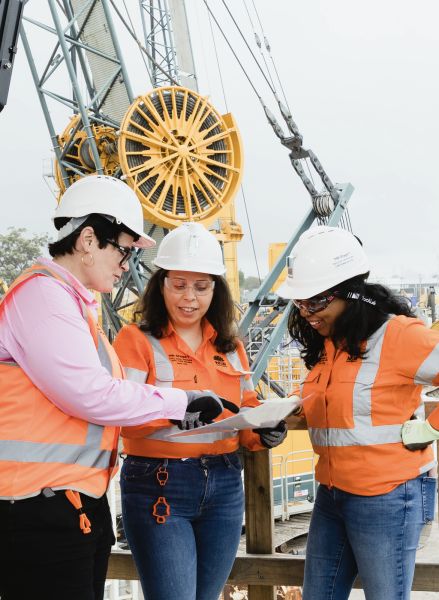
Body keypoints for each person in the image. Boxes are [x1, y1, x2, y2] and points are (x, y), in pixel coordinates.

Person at [0, 176, 233, 600]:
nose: (126, 264)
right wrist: (182, 402)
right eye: (124, 248)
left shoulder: (67, 304)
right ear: (88, 239)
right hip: (38, 504)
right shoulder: (44, 299)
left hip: (63, 500)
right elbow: (91, 394)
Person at [113, 222, 288, 600]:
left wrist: (263, 431)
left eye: (201, 286)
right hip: (159, 483)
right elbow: (123, 413)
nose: (189, 297)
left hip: (225, 484)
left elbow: (246, 407)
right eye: (178, 284)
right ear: (161, 285)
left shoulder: (230, 347)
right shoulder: (135, 341)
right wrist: (180, 411)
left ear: (216, 290)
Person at [277, 225, 439, 600]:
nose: (307, 313)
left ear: (350, 295)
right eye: (300, 303)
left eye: (315, 302)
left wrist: (430, 428)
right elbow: (337, 413)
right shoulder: (329, 344)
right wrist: (279, 420)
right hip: (332, 495)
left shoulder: (399, 336)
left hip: (386, 498)